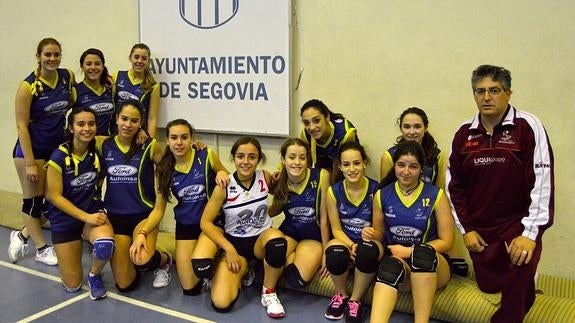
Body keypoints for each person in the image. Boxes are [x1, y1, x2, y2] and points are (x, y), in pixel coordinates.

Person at [446, 64, 554, 323]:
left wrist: (530, 234)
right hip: (481, 230)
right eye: (480, 91)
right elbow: (454, 187)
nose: (486, 97)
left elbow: (543, 181)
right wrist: (466, 229)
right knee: (490, 285)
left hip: (517, 224)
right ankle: (526, 284)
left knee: (520, 266)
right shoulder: (463, 134)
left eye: (494, 90)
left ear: (508, 93)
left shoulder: (528, 126)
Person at [131, 119, 229, 296]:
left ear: (192, 138)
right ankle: (167, 261)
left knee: (202, 266)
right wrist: (141, 234)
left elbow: (228, 179)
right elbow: (159, 210)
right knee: (190, 287)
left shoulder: (206, 155)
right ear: (167, 141)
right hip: (186, 225)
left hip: (211, 224)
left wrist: (223, 173)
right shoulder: (164, 170)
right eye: (174, 138)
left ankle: (219, 255)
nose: (179, 142)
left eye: (184, 137)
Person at [200, 136, 287, 318]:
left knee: (277, 240)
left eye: (252, 157)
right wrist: (228, 248)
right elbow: (205, 223)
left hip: (260, 242)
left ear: (259, 159)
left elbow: (280, 199)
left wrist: (282, 181)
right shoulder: (224, 186)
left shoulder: (265, 177)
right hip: (235, 247)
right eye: (241, 156)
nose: (246, 162)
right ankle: (243, 271)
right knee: (221, 302)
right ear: (233, 158)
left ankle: (269, 293)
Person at [370, 140, 454, 323]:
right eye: (401, 165)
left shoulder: (436, 195)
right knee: (389, 267)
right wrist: (369, 234)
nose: (406, 172)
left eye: (413, 166)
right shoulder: (382, 195)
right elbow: (379, 233)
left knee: (422, 255)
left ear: (421, 169)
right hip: (402, 265)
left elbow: (447, 242)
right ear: (394, 166)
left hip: (434, 265)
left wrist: (410, 251)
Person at [9, 37, 75, 266]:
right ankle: (41, 248)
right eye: (47, 54)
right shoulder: (27, 87)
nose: (52, 59)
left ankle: (22, 234)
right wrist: (29, 162)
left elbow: (74, 103)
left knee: (55, 199)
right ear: (38, 56)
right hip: (31, 151)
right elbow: (21, 126)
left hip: (55, 149)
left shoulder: (67, 77)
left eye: (56, 54)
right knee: (34, 202)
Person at [97, 99, 169, 292]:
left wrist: (198, 149)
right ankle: (131, 261)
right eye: (124, 119)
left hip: (142, 216)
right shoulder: (104, 144)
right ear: (117, 119)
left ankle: (162, 260)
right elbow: (76, 138)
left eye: (134, 121)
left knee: (142, 259)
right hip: (115, 217)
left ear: (141, 122)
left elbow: (170, 166)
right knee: (123, 284)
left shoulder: (150, 146)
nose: (128, 125)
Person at [45, 107, 115, 300]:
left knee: (104, 245)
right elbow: (55, 197)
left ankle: (94, 274)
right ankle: (66, 255)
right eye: (81, 124)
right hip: (64, 219)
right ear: (71, 128)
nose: (87, 128)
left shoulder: (99, 150)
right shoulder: (58, 158)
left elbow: (125, 137)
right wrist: (86, 217)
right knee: (72, 285)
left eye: (91, 124)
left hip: (91, 214)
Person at [323, 141, 382, 323]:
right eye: (346, 164)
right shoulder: (333, 192)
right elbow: (336, 229)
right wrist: (351, 244)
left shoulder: (376, 190)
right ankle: (341, 295)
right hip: (345, 239)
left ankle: (355, 300)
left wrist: (372, 234)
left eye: (356, 163)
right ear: (340, 167)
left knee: (367, 250)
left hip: (370, 242)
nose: (352, 169)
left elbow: (381, 231)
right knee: (334, 253)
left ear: (364, 163)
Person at [269, 138, 331, 289]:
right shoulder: (281, 181)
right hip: (290, 234)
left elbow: (324, 219)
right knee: (267, 266)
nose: (297, 162)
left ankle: (293, 259)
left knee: (296, 280)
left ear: (307, 160)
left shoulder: (321, 176)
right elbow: (273, 210)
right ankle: (290, 257)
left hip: (313, 237)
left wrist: (325, 252)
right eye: (291, 157)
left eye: (302, 158)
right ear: (283, 159)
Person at [379, 107, 446, 189]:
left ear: (425, 127)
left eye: (417, 127)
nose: (412, 132)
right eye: (407, 127)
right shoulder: (389, 156)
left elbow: (440, 192)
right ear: (401, 129)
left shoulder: (438, 156)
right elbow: (384, 193)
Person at [110, 43, 159, 138]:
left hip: (137, 136)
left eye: (144, 58)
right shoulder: (117, 75)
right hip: (115, 132)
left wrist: (150, 143)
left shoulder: (153, 86)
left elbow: (152, 118)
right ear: (130, 58)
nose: (140, 61)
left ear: (149, 61)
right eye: (136, 57)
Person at [300, 99, 358, 178]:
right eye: (306, 123)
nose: (312, 127)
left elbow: (346, 168)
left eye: (316, 121)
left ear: (327, 117)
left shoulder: (345, 134)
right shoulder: (306, 134)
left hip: (345, 168)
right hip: (323, 164)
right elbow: (303, 161)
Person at [73, 48, 114, 136]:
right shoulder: (75, 91)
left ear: (103, 66)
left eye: (97, 64)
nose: (93, 67)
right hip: (86, 144)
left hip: (108, 144)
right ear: (82, 66)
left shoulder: (111, 89)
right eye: (88, 64)